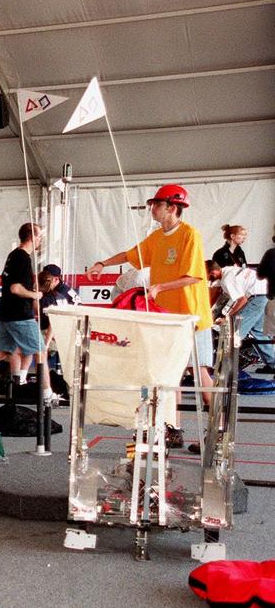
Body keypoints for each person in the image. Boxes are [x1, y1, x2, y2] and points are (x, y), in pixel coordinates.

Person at [86, 183, 212, 439]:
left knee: (198, 373)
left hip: (191, 316)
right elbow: (131, 255)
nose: (152, 208)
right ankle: (173, 428)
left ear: (172, 207)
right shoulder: (156, 237)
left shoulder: (190, 235)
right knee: (171, 374)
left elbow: (194, 277)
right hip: (166, 318)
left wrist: (158, 287)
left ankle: (218, 427)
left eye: (157, 204)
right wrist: (102, 263)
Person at [0, 224, 55, 402]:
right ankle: (47, 394)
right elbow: (15, 288)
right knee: (40, 351)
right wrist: (35, 294)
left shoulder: (13, 255)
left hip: (8, 314)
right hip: (20, 315)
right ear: (31, 236)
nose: (40, 240)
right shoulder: (22, 258)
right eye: (38, 236)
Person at [206, 259, 275, 372]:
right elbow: (217, 290)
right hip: (264, 292)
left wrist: (227, 317)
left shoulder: (227, 280)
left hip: (256, 296)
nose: (208, 279)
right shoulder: (228, 270)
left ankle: (225, 369)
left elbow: (241, 300)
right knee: (258, 332)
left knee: (235, 334)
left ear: (213, 272)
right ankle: (273, 363)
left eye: (208, 275)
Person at [37, 263, 76, 347]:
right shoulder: (60, 289)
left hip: (69, 329)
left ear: (56, 279)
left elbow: (53, 321)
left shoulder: (59, 293)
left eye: (47, 278)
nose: (45, 280)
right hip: (64, 328)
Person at [257, 231, 275, 368]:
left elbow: (260, 274)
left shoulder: (270, 253)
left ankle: (273, 363)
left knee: (271, 333)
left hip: (272, 296)